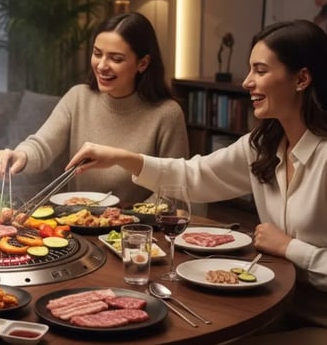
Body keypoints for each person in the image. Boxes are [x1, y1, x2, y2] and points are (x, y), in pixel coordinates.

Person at [67, 20, 327, 335]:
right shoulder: (261, 147)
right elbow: (193, 176)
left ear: (301, 79)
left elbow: (292, 251)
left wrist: (289, 248)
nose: (246, 82)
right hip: (273, 307)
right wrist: (120, 157)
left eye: (260, 71)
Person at [0, 12, 188, 203]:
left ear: (143, 63)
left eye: (116, 59)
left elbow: (173, 188)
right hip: (77, 223)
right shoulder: (78, 97)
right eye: (97, 54)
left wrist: (131, 222)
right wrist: (20, 155)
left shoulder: (167, 114)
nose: (102, 66)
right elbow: (43, 145)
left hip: (138, 230)